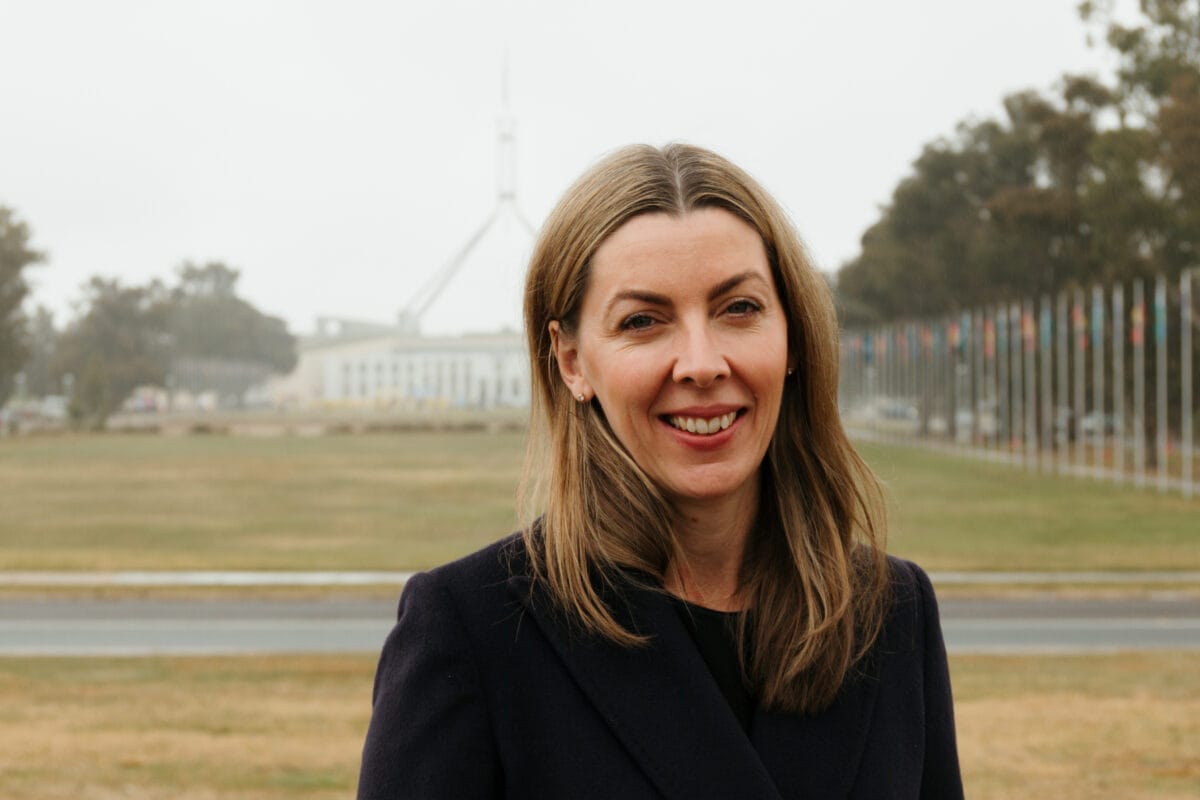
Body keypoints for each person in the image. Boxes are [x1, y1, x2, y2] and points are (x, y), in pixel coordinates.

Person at [358, 143, 963, 799]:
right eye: (643, 321)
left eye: (740, 309)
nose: (701, 364)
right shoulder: (472, 630)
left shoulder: (891, 612)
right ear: (572, 362)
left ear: (792, 335)